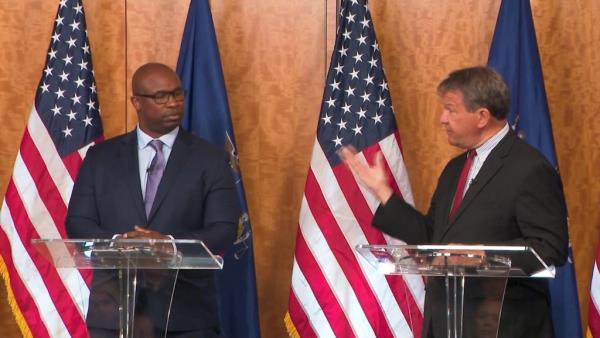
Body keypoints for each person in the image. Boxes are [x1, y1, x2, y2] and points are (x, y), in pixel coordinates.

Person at [340, 66, 568, 338]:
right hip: (447, 323)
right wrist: (383, 193)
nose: (442, 119)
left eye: (451, 109)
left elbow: (549, 247)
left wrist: (481, 255)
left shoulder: (530, 168)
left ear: (482, 116)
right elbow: (434, 240)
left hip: (502, 326)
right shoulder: (454, 169)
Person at [66, 62, 239, 338]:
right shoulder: (101, 158)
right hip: (114, 314)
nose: (172, 103)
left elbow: (224, 229)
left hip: (187, 317)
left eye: (177, 94)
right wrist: (117, 244)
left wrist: (168, 245)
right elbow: (77, 222)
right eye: (161, 97)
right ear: (137, 102)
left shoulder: (211, 160)